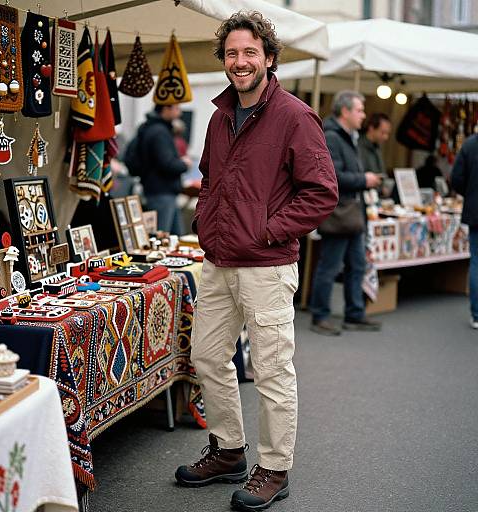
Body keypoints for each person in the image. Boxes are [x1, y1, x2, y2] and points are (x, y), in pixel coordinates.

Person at [174, 11, 338, 512]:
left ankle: (274, 467)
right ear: (223, 60)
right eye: (231, 53)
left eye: (250, 53)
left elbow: (321, 193)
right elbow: (208, 181)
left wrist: (267, 232)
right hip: (220, 260)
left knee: (271, 370)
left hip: (266, 265)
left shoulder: (295, 115)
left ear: (268, 57)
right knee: (206, 356)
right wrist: (207, 225)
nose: (239, 62)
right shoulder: (220, 118)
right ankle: (228, 451)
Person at [309, 90, 382, 336]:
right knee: (330, 266)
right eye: (360, 110)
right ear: (345, 111)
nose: (363, 115)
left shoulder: (348, 137)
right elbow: (332, 177)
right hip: (339, 212)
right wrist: (364, 179)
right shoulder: (332, 137)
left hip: (351, 212)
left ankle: (355, 314)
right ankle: (320, 315)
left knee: (357, 265)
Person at [136, 103, 192, 234]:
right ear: (166, 108)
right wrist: (184, 164)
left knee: (174, 238)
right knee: (161, 238)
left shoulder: (153, 128)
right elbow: (167, 163)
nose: (180, 113)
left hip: (162, 192)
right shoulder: (159, 132)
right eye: (177, 108)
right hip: (161, 193)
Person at [451, 133, 478, 329]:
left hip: (475, 211)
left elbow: (456, 179)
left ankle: (477, 314)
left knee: (476, 261)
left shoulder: (470, 145)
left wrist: (469, 194)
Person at [358, 112, 391, 177]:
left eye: (387, 133)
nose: (386, 137)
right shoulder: (358, 146)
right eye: (383, 132)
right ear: (371, 128)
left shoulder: (376, 147)